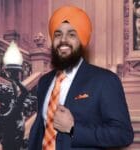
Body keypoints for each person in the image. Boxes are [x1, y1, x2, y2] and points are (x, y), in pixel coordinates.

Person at [29, 5, 134, 150]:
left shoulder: (105, 80)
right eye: (58, 34)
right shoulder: (44, 81)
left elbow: (123, 134)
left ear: (82, 40)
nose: (63, 40)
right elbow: (41, 128)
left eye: (72, 34)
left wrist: (73, 129)